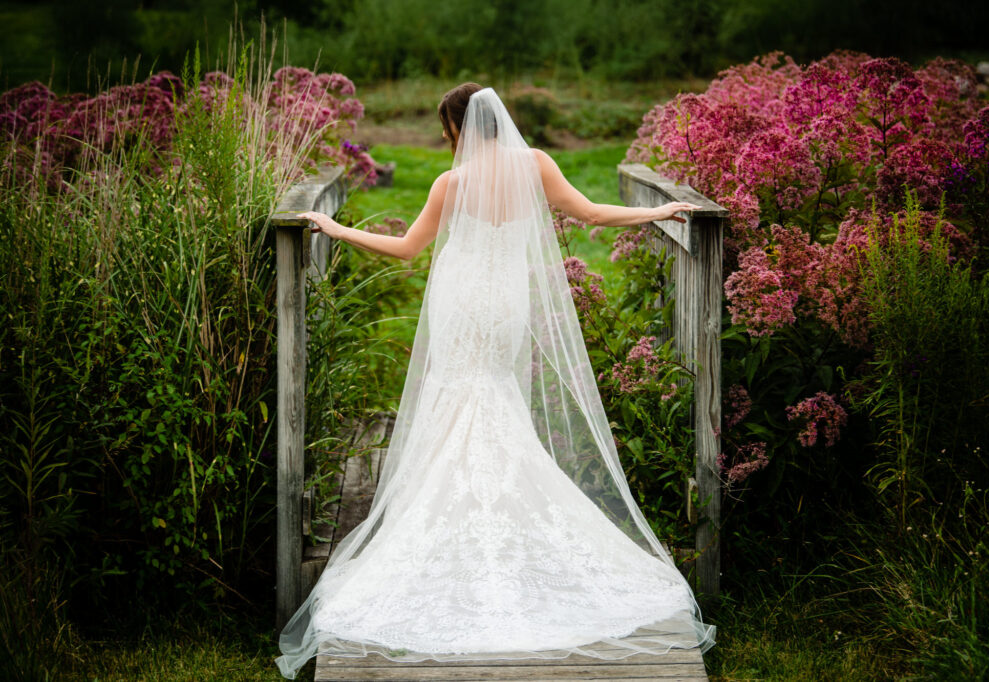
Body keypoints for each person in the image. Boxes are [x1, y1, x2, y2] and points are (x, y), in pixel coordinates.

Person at [276, 83, 715, 679]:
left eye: (446, 131)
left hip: (461, 301)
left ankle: (451, 528)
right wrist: (657, 211)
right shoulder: (535, 165)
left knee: (457, 397)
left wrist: (334, 228)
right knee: (493, 395)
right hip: (506, 303)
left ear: (458, 129)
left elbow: (407, 250)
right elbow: (589, 213)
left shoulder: (450, 184)